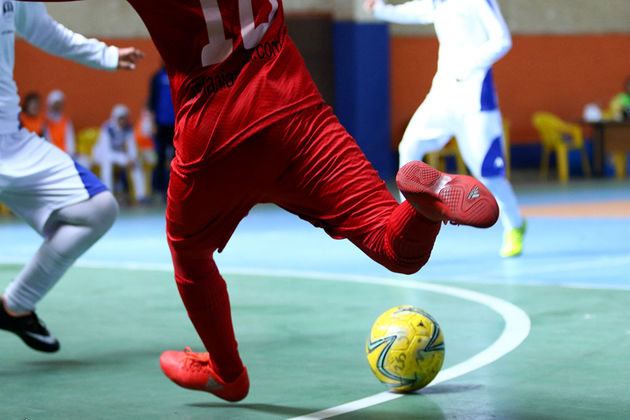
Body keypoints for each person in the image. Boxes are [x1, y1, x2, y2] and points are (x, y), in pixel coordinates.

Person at [30, 0, 498, 401]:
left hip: (214, 137)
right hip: (297, 113)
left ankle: (227, 373)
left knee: (189, 253)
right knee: (394, 248)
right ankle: (422, 208)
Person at [0, 1, 143, 353]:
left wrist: (105, 55)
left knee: (98, 208)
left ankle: (15, 306)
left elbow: (41, 28)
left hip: (11, 143)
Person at [365, 0, 526, 258]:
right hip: (441, 97)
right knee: (409, 147)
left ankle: (515, 225)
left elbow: (502, 40)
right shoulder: (436, 2)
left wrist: (468, 65)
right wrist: (380, 9)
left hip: (475, 101)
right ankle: (409, 221)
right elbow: (412, 12)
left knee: (489, 175)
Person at [92, 104, 149, 204]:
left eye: (125, 118)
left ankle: (141, 196)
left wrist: (132, 159)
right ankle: (108, 195)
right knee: (107, 163)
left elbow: (132, 146)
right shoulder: (107, 128)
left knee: (135, 164)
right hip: (101, 155)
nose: (123, 121)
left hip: (118, 155)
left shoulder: (128, 129)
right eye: (120, 118)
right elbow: (106, 151)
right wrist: (124, 159)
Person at [148, 64, 175, 201]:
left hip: (176, 125)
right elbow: (152, 101)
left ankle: (175, 190)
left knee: (177, 159)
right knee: (160, 158)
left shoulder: (177, 75)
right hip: (160, 125)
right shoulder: (157, 77)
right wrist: (153, 123)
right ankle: (159, 190)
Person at [43, 89, 76, 156]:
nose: (58, 107)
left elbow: (70, 142)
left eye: (60, 104)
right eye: (56, 104)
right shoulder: (45, 122)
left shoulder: (66, 121)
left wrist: (69, 155)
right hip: (51, 154)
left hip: (66, 154)